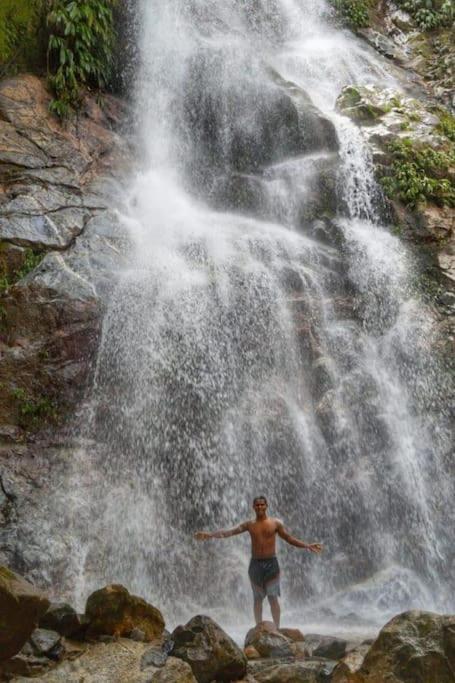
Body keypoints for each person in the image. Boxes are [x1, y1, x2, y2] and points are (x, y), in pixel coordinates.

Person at [194, 495, 322, 628]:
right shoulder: (249, 525)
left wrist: (307, 545)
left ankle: (277, 628)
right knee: (257, 599)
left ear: (266, 506)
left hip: (272, 564)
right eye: (257, 505)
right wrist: (210, 535)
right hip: (255, 565)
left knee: (273, 598)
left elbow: (289, 538)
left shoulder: (276, 523)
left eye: (262, 504)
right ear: (253, 507)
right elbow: (229, 532)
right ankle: (259, 629)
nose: (260, 507)